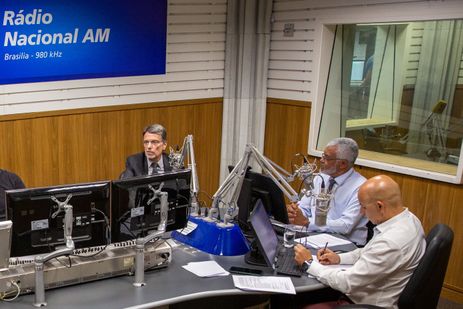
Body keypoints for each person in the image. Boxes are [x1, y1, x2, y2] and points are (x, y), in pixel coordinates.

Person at [294, 175, 426, 308]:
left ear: (380, 206)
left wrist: (308, 263)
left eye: (363, 207)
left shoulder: (391, 242)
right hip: (369, 291)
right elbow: (370, 250)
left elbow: (347, 283)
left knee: (292, 301)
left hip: (364, 303)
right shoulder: (409, 219)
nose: (362, 213)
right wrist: (339, 258)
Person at [287, 137, 368, 246]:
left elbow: (346, 225)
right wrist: (296, 213)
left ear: (343, 164)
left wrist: (307, 222)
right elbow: (305, 207)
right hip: (317, 236)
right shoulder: (321, 177)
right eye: (322, 155)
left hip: (346, 243)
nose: (321, 160)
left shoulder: (361, 188)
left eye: (326, 158)